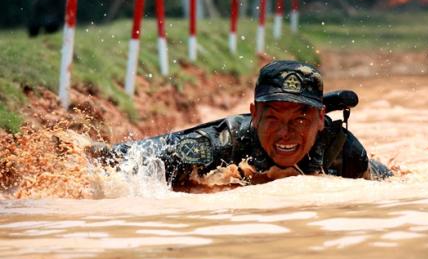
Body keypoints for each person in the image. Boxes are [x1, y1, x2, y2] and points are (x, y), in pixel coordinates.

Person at [100, 60, 390, 188]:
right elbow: (129, 162)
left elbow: (383, 186)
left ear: (321, 119)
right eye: (273, 118)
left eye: (300, 119)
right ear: (254, 113)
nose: (285, 133)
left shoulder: (345, 153)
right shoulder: (223, 142)